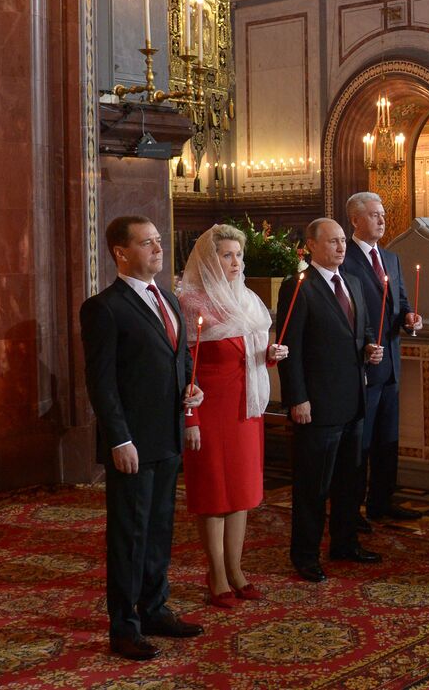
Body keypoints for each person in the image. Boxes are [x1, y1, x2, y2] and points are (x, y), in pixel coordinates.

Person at [81, 216, 205, 661]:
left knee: (159, 530)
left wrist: (191, 389)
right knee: (129, 534)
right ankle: (124, 627)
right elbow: (102, 383)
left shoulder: (167, 298)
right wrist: (118, 440)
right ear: (121, 252)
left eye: (158, 241)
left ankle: (154, 608)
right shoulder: (104, 307)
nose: (158, 249)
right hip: (132, 442)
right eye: (147, 243)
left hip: (168, 435)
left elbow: (180, 358)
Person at [176, 225, 287, 607]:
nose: (235, 262)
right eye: (226, 255)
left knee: (240, 494)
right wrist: (189, 418)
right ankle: (217, 574)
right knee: (214, 495)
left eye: (239, 255)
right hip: (211, 410)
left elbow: (253, 350)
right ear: (210, 259)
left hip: (246, 410)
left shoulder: (250, 299)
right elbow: (182, 368)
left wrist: (269, 355)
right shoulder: (191, 303)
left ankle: (237, 570)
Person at [276, 218, 384, 583]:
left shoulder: (351, 281)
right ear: (311, 246)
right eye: (333, 242)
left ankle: (345, 543)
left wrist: (370, 347)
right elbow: (290, 347)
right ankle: (305, 555)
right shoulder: (299, 286)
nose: (341, 247)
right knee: (312, 486)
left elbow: (363, 329)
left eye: (342, 241)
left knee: (350, 481)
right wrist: (297, 398)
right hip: (317, 405)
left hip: (354, 401)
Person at [341, 192, 424, 526]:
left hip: (391, 363)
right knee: (360, 445)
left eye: (383, 214)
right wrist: (362, 343)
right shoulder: (344, 259)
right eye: (374, 215)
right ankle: (352, 509)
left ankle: (381, 501)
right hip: (362, 365)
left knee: (388, 441)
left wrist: (410, 317)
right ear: (356, 220)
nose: (382, 220)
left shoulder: (391, 258)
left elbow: (401, 300)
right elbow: (343, 313)